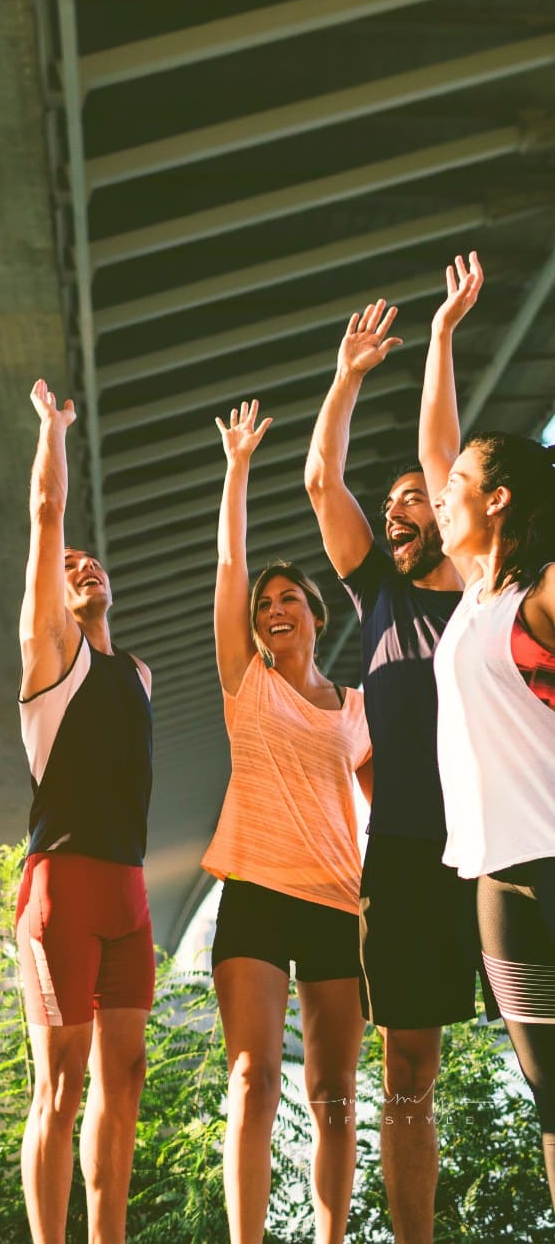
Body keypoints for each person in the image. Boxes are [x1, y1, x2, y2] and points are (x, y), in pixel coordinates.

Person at [304, 261, 484, 1244]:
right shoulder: (377, 590)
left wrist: (446, 340)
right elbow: (320, 480)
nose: (407, 506)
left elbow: (446, 454)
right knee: (406, 1070)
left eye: (424, 496)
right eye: (398, 501)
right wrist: (347, 377)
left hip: (502, 846)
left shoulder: (478, 592)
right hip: (407, 855)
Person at [203, 399, 371, 1244]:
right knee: (254, 1078)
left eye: (290, 599)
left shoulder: (353, 706)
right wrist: (238, 465)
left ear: (316, 614)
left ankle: (333, 1237)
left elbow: (393, 804)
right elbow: (230, 562)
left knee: (335, 1095)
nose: (273, 608)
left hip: (341, 901)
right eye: (265, 602)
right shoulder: (247, 683)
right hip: (256, 894)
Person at [420, 288, 555, 1200]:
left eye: (459, 490)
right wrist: (440, 335)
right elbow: (440, 453)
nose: (438, 501)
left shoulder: (538, 594)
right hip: (500, 885)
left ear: (498, 500)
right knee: (553, 1107)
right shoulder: (473, 592)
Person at [16, 379, 154, 1244]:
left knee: (125, 1079)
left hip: (131, 895)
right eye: (69, 569)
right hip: (61, 887)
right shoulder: (45, 663)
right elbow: (44, 512)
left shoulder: (139, 675)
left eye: (92, 562)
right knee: (60, 1086)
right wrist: (54, 429)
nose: (83, 567)